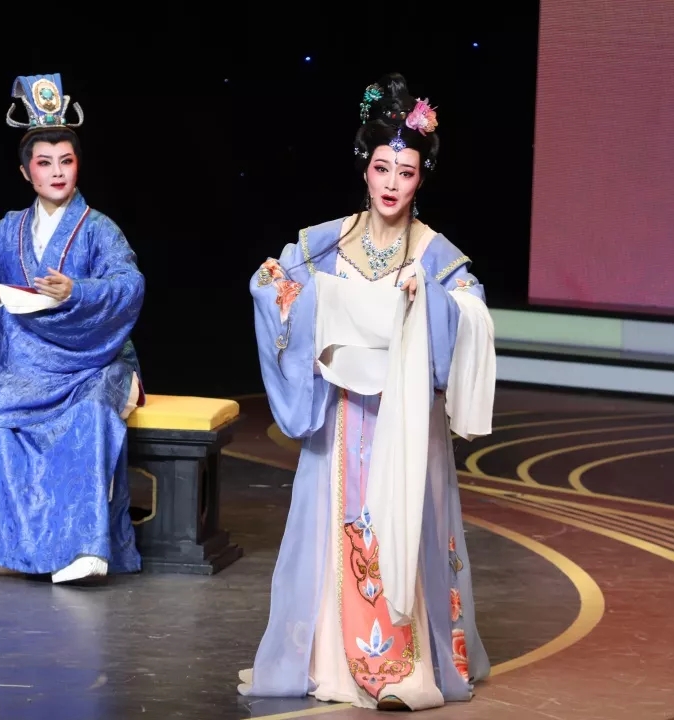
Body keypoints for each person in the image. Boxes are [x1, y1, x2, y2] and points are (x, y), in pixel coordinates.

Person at [238, 73, 496, 711]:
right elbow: (273, 285)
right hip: (341, 413)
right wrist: (293, 295)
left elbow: (472, 310)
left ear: (420, 179)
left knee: (398, 530)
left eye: (405, 172)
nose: (391, 183)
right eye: (382, 168)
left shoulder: (434, 254)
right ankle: (331, 660)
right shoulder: (327, 242)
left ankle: (403, 669)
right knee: (337, 532)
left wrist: (428, 299)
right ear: (365, 168)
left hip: (403, 422)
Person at [0, 73, 146, 584]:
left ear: (78, 166)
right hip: (22, 364)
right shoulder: (7, 230)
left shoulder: (98, 229)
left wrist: (77, 292)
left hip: (92, 363)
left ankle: (83, 549)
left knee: (89, 415)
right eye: (44, 162)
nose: (57, 172)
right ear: (25, 171)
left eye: (66, 161)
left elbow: (129, 283)